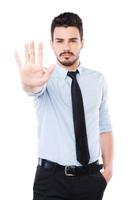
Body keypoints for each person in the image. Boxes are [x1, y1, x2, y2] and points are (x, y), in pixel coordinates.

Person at [15, 12, 114, 200]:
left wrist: (108, 170)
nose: (66, 47)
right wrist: (28, 82)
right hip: (51, 180)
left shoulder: (97, 79)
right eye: (59, 41)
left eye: (73, 40)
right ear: (52, 43)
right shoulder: (43, 78)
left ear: (82, 42)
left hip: (90, 178)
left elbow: (104, 126)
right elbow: (33, 88)